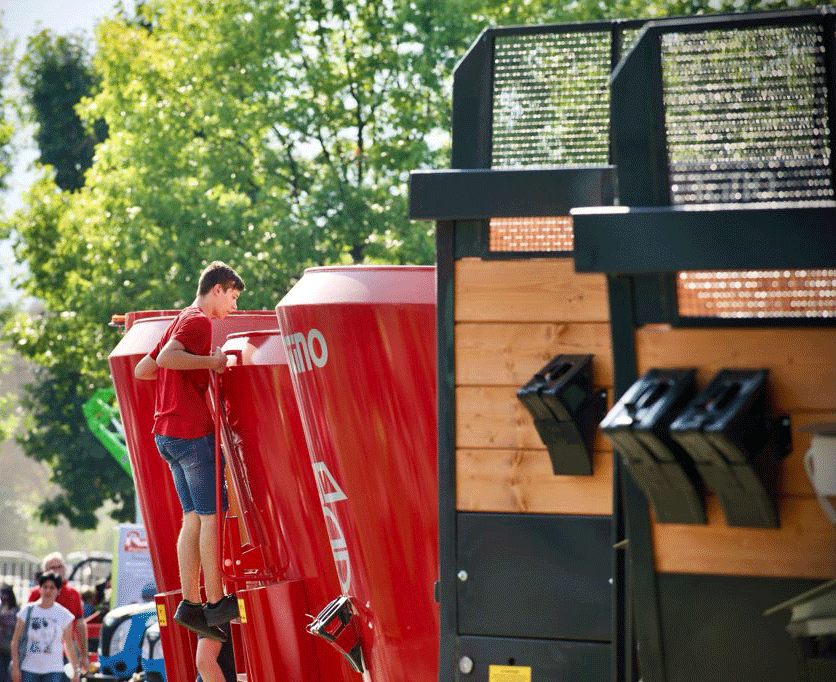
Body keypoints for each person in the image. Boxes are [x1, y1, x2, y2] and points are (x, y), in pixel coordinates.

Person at [134, 261, 245, 641]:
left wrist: (186, 369)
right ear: (218, 288)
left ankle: (190, 604)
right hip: (192, 432)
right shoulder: (198, 321)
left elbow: (144, 370)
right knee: (214, 515)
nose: (233, 306)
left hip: (165, 434)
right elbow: (165, 360)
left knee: (193, 517)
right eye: (232, 297)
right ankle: (215, 602)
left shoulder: (179, 319)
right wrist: (210, 363)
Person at [10, 572, 80, 682]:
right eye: (45, 587)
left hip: (54, 669)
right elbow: (15, 641)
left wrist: (75, 670)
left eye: (52, 588)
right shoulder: (27, 611)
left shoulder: (64, 615)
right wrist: (15, 667)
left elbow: (68, 644)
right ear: (39, 589)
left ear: (58, 591)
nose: (48, 591)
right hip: (29, 668)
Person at [26, 554, 87, 675]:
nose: (56, 570)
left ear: (65, 568)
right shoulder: (35, 594)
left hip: (64, 655)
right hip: (38, 654)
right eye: (52, 567)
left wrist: (84, 654)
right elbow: (26, 626)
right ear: (44, 571)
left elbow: (80, 624)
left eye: (59, 566)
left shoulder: (73, 593)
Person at [1, 584, 19, 682]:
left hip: (11, 648)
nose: (3, 597)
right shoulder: (1, 608)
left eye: (5, 594)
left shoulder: (16, 611)